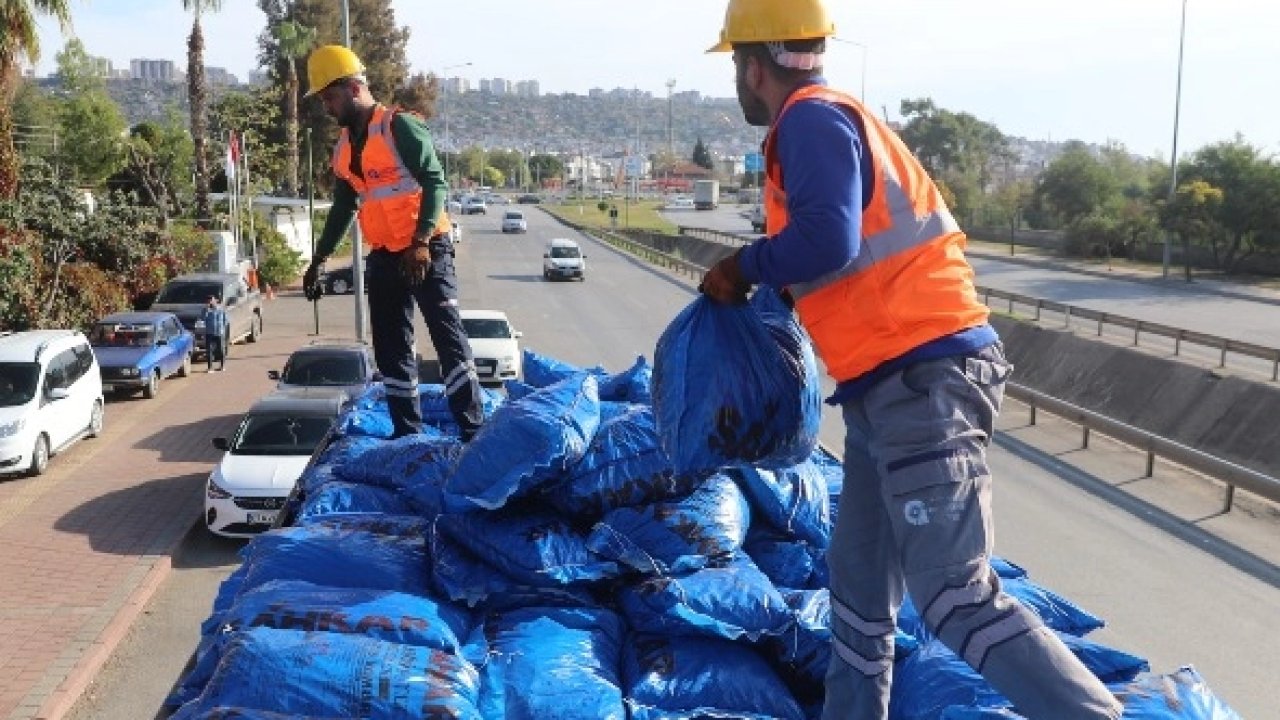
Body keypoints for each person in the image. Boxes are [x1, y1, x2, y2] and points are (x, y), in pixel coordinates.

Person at [700, 2, 1124, 719]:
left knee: (954, 595)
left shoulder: (808, 120)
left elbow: (827, 240)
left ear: (750, 65)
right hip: (882, 388)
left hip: (924, 379)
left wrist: (744, 265)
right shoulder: (830, 119)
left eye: (735, 70)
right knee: (860, 597)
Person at [301, 45, 483, 441]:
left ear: (352, 88)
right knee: (392, 349)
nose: (327, 107)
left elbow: (436, 181)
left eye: (329, 97)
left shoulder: (399, 126)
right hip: (384, 257)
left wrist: (420, 241)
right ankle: (407, 435)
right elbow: (343, 208)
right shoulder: (345, 150)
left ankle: (473, 431)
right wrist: (318, 259)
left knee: (447, 337)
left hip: (426, 250)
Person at [200, 295, 227, 372]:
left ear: (215, 300)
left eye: (211, 300)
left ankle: (222, 366)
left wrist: (223, 329)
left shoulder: (220, 309)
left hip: (219, 332)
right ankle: (210, 367)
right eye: (208, 301)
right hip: (209, 332)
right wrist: (207, 311)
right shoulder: (205, 310)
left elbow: (225, 319)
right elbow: (202, 319)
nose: (210, 302)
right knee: (209, 350)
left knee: (221, 349)